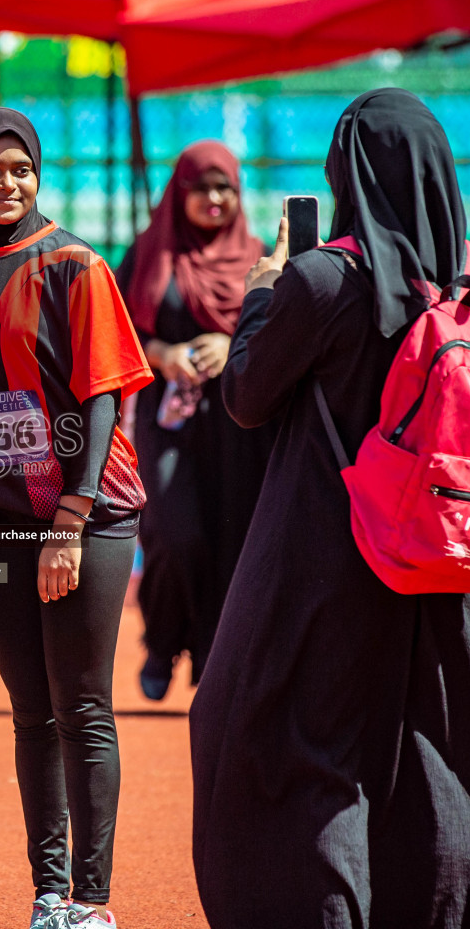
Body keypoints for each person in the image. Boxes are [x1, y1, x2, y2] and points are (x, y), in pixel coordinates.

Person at [193, 88, 470, 928]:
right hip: (446, 549)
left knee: (294, 738)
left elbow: (248, 398)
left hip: (327, 550)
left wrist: (263, 294)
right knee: (432, 747)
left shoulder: (323, 276)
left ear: (347, 171)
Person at [0, 108, 153, 929]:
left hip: (86, 513)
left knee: (82, 706)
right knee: (29, 709)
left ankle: (91, 902)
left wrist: (71, 517)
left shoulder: (75, 265)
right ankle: (48, 891)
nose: (7, 185)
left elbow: (103, 395)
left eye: (20, 169)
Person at [115, 141, 275, 698]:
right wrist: (161, 353)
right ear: (178, 193)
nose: (213, 198)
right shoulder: (150, 254)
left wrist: (230, 342)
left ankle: (215, 657)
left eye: (225, 187)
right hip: (170, 419)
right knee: (173, 531)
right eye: (202, 187)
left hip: (242, 421)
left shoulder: (263, 258)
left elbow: (287, 331)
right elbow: (118, 329)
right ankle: (162, 640)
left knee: (233, 533)